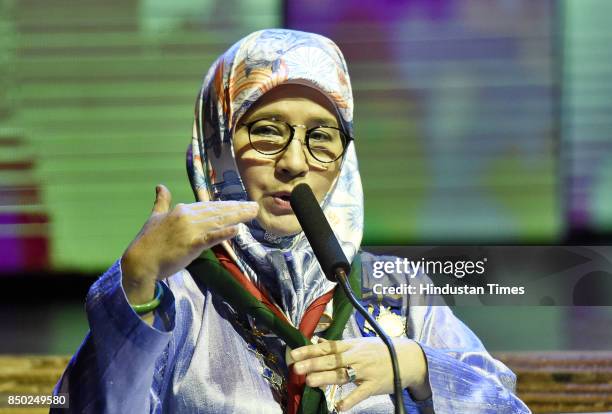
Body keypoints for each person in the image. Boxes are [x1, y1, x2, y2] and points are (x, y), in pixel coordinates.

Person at [53, 29, 530, 413]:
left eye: (321, 137)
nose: (294, 163)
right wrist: (134, 283)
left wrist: (419, 367)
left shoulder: (395, 291)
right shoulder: (176, 297)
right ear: (217, 144)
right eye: (266, 131)